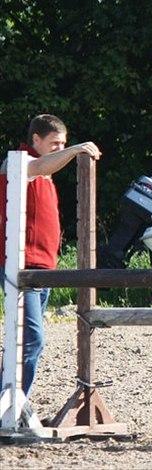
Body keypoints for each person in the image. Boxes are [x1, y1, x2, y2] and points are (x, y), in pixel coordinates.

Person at [0, 114, 101, 398]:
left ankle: (12, 404)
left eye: (63, 143)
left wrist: (70, 150)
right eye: (54, 143)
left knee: (26, 343)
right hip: (22, 268)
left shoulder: (45, 173)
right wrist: (76, 149)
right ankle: (11, 406)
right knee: (31, 341)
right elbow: (38, 166)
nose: (60, 148)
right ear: (35, 140)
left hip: (43, 269)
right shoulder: (16, 163)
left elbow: (46, 166)